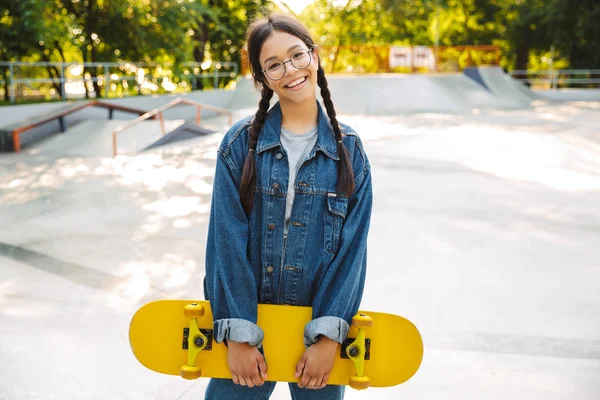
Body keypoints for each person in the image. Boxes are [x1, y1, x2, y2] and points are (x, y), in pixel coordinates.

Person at [203, 12, 373, 400]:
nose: (290, 70)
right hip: (246, 331)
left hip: (317, 336)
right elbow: (225, 241)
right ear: (262, 79)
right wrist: (238, 332)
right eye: (274, 64)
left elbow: (353, 250)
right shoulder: (239, 146)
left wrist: (330, 335)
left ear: (314, 56)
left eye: (297, 55)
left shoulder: (350, 153)